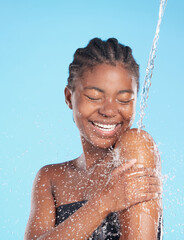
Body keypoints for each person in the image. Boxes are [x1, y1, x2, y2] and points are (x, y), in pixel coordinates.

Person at [24, 38, 162, 240]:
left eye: (124, 99)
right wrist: (103, 202)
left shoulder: (136, 148)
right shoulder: (50, 177)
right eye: (94, 97)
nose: (109, 111)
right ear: (69, 98)